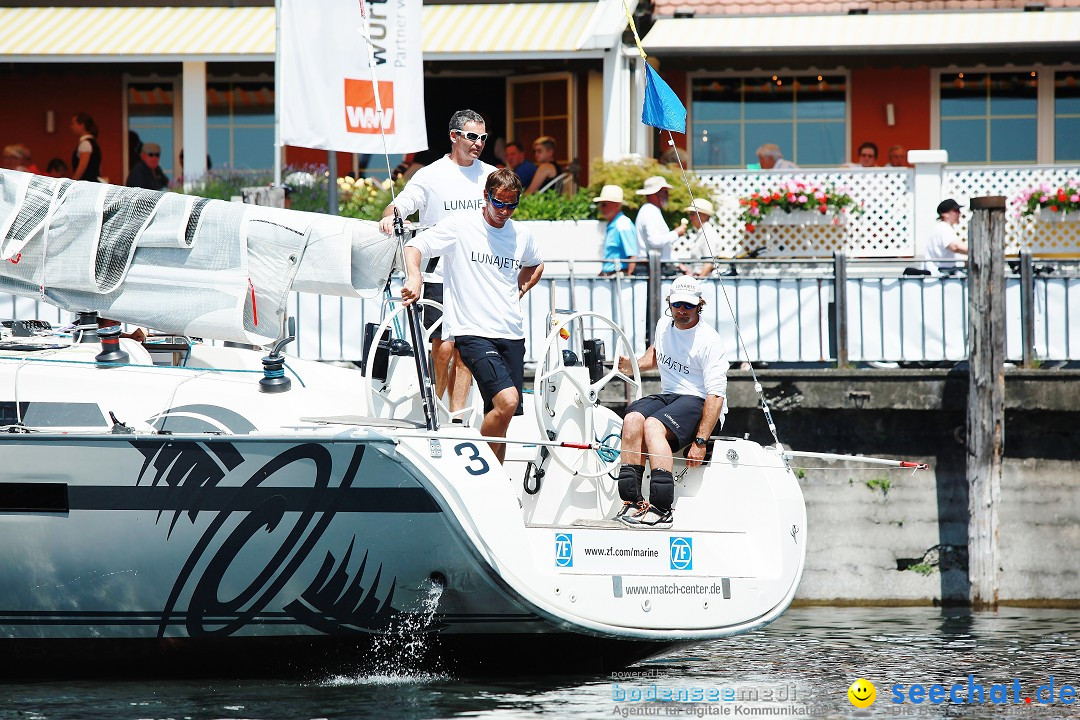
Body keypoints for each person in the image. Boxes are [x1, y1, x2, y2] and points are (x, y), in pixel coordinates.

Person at [401, 169, 544, 463]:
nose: (504, 211)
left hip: (512, 334)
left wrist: (520, 289)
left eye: (511, 205)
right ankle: (482, 468)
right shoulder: (461, 226)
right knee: (508, 402)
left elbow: (536, 264)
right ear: (486, 196)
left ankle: (498, 484)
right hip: (473, 331)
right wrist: (415, 277)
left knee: (501, 416)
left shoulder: (522, 235)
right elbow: (414, 246)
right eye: (498, 203)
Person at [379, 109, 496, 417]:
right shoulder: (431, 174)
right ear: (454, 136)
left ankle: (457, 418)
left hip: (476, 275)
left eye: (483, 137)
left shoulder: (489, 174)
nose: (478, 143)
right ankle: (435, 410)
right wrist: (393, 214)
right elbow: (405, 201)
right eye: (472, 137)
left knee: (466, 352)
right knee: (442, 347)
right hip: (438, 275)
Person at [614, 275, 728, 528]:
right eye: (677, 304)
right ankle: (632, 501)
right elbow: (655, 355)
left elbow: (716, 396)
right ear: (670, 303)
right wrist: (632, 366)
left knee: (653, 425)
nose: (682, 311)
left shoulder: (709, 341)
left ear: (700, 304)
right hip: (671, 396)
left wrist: (700, 441)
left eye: (688, 305)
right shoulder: (664, 325)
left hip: (700, 400)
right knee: (632, 419)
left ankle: (662, 507)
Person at [635, 175, 686, 275]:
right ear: (654, 194)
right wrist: (676, 233)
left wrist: (678, 264)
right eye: (665, 192)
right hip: (652, 269)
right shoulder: (650, 211)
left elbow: (662, 247)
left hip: (655, 267)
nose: (668, 195)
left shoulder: (651, 210)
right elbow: (655, 241)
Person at [595, 185, 639, 277]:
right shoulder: (615, 224)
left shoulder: (623, 224)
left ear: (616, 205)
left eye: (604, 204)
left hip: (619, 278)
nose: (600, 208)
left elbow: (633, 255)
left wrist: (630, 281)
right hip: (612, 277)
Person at [925, 198, 968, 275]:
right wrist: (975, 251)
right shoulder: (943, 227)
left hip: (945, 274)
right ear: (945, 214)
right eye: (956, 210)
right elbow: (955, 247)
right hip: (942, 276)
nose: (959, 213)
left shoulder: (943, 227)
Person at [678, 198, 717, 277]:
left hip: (706, 281)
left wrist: (698, 282)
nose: (690, 217)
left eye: (693, 214)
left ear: (704, 215)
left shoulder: (708, 233)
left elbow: (708, 263)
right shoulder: (701, 233)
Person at [70, 112, 102, 182]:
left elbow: (81, 168)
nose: (71, 127)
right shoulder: (92, 143)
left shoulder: (85, 144)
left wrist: (72, 183)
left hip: (86, 183)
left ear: (82, 125)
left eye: (73, 123)